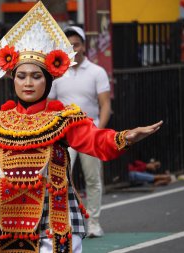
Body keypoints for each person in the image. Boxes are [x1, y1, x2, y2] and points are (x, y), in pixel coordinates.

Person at [0, 2, 162, 252]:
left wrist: (127, 137)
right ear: (13, 80)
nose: (28, 83)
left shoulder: (63, 118)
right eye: (22, 76)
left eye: (36, 76)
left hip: (55, 218)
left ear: (48, 79)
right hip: (11, 224)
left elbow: (96, 141)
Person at [48, 26, 110, 238]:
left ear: (83, 46)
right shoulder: (57, 74)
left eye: (76, 44)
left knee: (93, 179)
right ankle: (65, 223)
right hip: (64, 136)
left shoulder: (97, 72)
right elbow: (48, 104)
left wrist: (98, 134)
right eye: (68, 45)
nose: (72, 48)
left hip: (90, 133)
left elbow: (105, 106)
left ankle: (94, 223)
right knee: (60, 180)